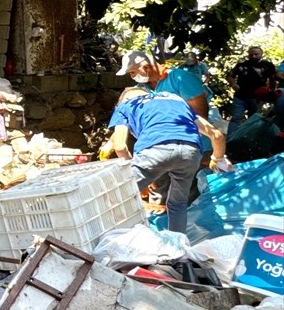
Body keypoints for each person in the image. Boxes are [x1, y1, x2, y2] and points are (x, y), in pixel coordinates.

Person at [107, 88, 230, 234]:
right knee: (178, 204)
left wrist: (132, 178)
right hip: (191, 150)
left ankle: (114, 241)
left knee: (117, 198)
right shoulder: (177, 101)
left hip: (154, 149)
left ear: (123, 100)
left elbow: (120, 146)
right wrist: (217, 159)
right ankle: (178, 244)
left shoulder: (126, 105)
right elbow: (217, 135)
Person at [226, 46, 277, 133]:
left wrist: (271, 93)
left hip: (257, 98)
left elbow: (273, 80)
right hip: (240, 96)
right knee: (235, 118)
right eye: (251, 54)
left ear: (261, 54)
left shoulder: (268, 65)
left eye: (256, 54)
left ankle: (249, 138)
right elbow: (229, 76)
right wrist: (233, 84)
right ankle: (230, 139)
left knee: (253, 120)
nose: (253, 56)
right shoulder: (241, 64)